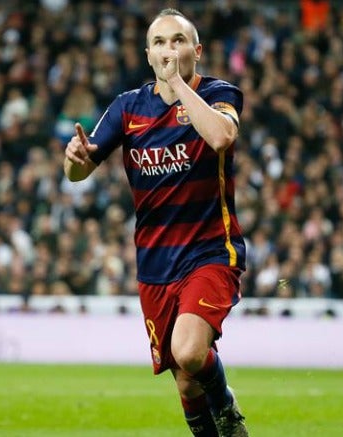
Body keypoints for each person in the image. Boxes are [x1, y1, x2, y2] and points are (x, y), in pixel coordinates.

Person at [63, 9, 248, 437]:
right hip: (154, 264)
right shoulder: (129, 108)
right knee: (185, 377)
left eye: (179, 41)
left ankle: (228, 409)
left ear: (196, 51)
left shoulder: (221, 94)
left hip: (210, 251)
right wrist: (72, 160)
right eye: (160, 43)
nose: (169, 50)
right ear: (148, 55)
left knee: (189, 350)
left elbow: (221, 137)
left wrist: (179, 85)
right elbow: (80, 170)